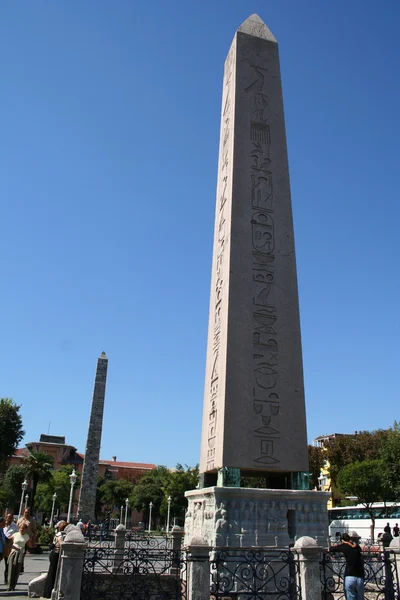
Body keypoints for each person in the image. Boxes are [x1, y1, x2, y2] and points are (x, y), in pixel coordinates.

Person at [329, 532, 364, 600]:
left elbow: (332, 549)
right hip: (360, 577)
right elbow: (359, 550)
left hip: (349, 576)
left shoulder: (344, 546)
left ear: (342, 540)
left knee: (350, 597)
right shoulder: (356, 547)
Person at [42, 521, 67, 598]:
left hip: (54, 554)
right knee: (53, 573)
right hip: (56, 554)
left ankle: (47, 592)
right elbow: (60, 543)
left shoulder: (58, 533)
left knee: (52, 573)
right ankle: (49, 592)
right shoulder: (60, 535)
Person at [7, 521, 31, 591]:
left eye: (23, 528)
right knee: (11, 569)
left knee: (17, 570)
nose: (21, 529)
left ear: (25, 529)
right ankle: (9, 585)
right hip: (14, 552)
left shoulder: (26, 536)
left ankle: (13, 586)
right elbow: (9, 543)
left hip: (20, 553)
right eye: (20, 528)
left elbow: (29, 544)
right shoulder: (15, 534)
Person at [3, 513, 17, 584]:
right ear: (6, 518)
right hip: (1, 546)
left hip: (9, 546)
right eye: (9, 518)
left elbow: (17, 535)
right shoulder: (2, 524)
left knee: (7, 563)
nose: (10, 519)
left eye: (11, 518)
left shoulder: (14, 526)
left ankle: (6, 579)